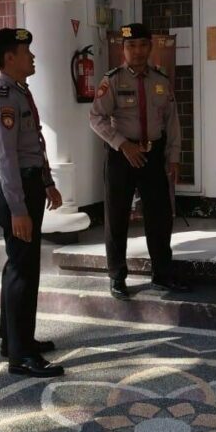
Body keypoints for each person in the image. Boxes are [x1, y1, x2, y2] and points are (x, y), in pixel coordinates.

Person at [0, 27, 64, 378]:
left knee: (19, 266)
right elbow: (7, 159)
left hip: (30, 186)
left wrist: (47, 183)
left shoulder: (19, 91)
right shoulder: (4, 98)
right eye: (25, 52)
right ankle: (21, 356)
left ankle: (15, 340)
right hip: (17, 192)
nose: (32, 57)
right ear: (9, 58)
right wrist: (18, 209)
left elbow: (34, 145)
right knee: (23, 271)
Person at [89, 22, 190, 300]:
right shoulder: (113, 80)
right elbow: (96, 118)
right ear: (123, 49)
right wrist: (123, 144)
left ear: (150, 47)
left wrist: (173, 156)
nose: (137, 51)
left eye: (142, 45)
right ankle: (117, 277)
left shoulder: (161, 80)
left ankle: (162, 274)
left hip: (153, 155)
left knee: (159, 217)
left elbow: (172, 122)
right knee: (117, 216)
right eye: (131, 46)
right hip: (121, 156)